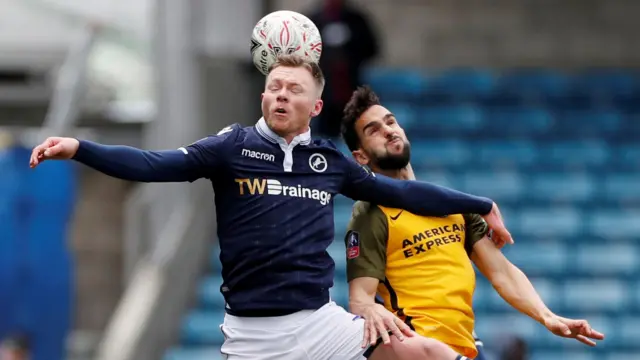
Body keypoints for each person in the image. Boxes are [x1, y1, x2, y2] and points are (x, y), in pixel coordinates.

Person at [29, 54, 512, 360]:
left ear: (315, 107)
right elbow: (153, 163)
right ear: (263, 95)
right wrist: (79, 147)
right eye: (274, 86)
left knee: (426, 353)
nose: (281, 94)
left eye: (294, 88)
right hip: (254, 336)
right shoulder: (229, 148)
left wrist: (481, 203)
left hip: (320, 324)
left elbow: (407, 193)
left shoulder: (329, 162)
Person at [339, 86, 606, 359]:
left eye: (391, 121)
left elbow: (501, 271)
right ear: (361, 157)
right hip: (420, 347)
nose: (388, 130)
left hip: (466, 347)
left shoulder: (453, 206)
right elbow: (361, 301)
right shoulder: (370, 214)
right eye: (373, 130)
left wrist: (547, 317)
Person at [308, 0, 379, 139]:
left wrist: (349, 53)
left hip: (351, 88)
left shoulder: (356, 20)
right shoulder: (313, 20)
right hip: (323, 92)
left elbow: (371, 49)